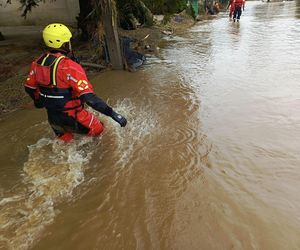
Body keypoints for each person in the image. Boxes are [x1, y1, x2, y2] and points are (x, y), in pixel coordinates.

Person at [24, 23, 127, 142]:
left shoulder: (36, 63)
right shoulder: (71, 67)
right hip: (76, 117)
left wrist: (38, 102)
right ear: (63, 44)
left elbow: (29, 88)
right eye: (68, 41)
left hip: (53, 120)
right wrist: (114, 114)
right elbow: (89, 98)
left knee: (67, 147)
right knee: (104, 136)